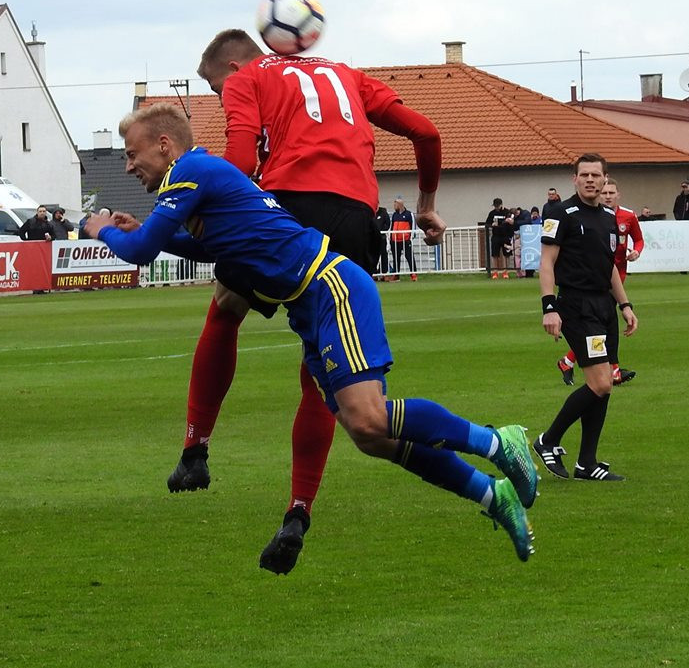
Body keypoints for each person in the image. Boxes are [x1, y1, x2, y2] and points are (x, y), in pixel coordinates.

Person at [85, 104, 537, 566]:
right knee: (370, 436)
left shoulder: (189, 170)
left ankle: (499, 442)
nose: (128, 166)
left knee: (370, 417)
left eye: (132, 153)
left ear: (164, 145)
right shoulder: (199, 175)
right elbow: (212, 246)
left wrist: (100, 229)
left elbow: (141, 252)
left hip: (330, 288)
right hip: (308, 308)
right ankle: (491, 495)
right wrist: (146, 232)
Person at [173, 28, 443, 571]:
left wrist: (210, 209)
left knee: (225, 309)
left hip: (286, 206)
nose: (220, 99)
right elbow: (426, 131)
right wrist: (426, 203)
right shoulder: (348, 74)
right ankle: (299, 509)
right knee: (318, 370)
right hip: (355, 218)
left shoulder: (250, 78)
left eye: (216, 89)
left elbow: (240, 158)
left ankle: (195, 448)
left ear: (233, 68)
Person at [535, 154, 638, 482]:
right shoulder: (560, 213)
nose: (590, 180)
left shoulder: (609, 217)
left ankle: (586, 463)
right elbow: (547, 262)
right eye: (585, 175)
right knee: (600, 382)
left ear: (605, 179)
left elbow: (609, 267)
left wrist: (624, 305)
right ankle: (548, 440)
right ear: (575, 179)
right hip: (577, 307)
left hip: (604, 307)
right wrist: (549, 307)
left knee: (606, 386)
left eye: (596, 175)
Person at [556, 178, 643, 386]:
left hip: (616, 277)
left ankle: (569, 361)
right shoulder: (584, 216)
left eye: (612, 193)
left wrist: (636, 252)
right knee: (600, 328)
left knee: (602, 327)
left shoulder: (626, 216)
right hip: (594, 283)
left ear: (618, 194)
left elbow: (638, 240)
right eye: (605, 193)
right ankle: (612, 369)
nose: (608, 196)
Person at [389, 197, 418, 281]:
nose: (394, 206)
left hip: (405, 240)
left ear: (400, 205)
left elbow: (413, 226)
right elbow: (392, 227)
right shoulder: (394, 215)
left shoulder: (409, 214)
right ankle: (396, 275)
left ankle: (413, 274)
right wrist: (391, 238)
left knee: (409, 257)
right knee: (396, 258)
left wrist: (411, 238)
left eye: (395, 204)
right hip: (395, 240)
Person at [485, 198, 513, 279]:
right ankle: (495, 272)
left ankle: (505, 271)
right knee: (495, 255)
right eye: (495, 206)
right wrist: (492, 224)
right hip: (496, 236)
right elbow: (487, 224)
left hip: (505, 236)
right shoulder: (492, 213)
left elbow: (512, 222)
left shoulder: (507, 212)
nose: (496, 207)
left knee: (506, 255)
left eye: (497, 206)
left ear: (501, 205)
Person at [372, 205, 391, 280]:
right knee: (373, 256)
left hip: (382, 237)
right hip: (373, 238)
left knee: (384, 255)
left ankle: (384, 273)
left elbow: (387, 223)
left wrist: (381, 231)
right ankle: (374, 273)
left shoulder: (383, 212)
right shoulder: (371, 212)